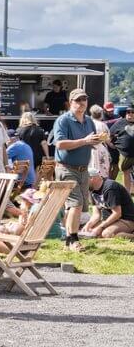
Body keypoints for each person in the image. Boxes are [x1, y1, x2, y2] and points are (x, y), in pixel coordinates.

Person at [52, 88, 99, 252]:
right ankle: (72, 239)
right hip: (67, 168)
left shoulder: (89, 121)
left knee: (80, 206)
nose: (82, 103)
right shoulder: (63, 120)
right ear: (70, 103)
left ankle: (68, 237)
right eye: (78, 100)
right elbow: (60, 144)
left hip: (83, 169)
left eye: (84, 99)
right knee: (76, 204)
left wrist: (97, 141)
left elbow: (89, 142)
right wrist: (85, 141)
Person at [82, 170, 134, 239]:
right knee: (90, 230)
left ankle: (129, 234)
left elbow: (117, 213)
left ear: (91, 178)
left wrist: (101, 226)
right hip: (111, 220)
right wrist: (88, 225)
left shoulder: (110, 188)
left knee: (106, 234)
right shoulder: (92, 190)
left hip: (126, 220)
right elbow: (96, 214)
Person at [108, 107, 134, 190]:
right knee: (126, 172)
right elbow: (109, 135)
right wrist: (111, 145)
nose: (130, 114)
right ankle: (127, 193)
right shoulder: (120, 122)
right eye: (128, 112)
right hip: (125, 154)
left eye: (133, 112)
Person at [89, 104, 112, 179]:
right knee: (103, 171)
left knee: (91, 169)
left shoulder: (88, 124)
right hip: (100, 149)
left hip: (89, 149)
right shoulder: (102, 125)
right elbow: (107, 139)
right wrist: (113, 146)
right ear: (101, 114)